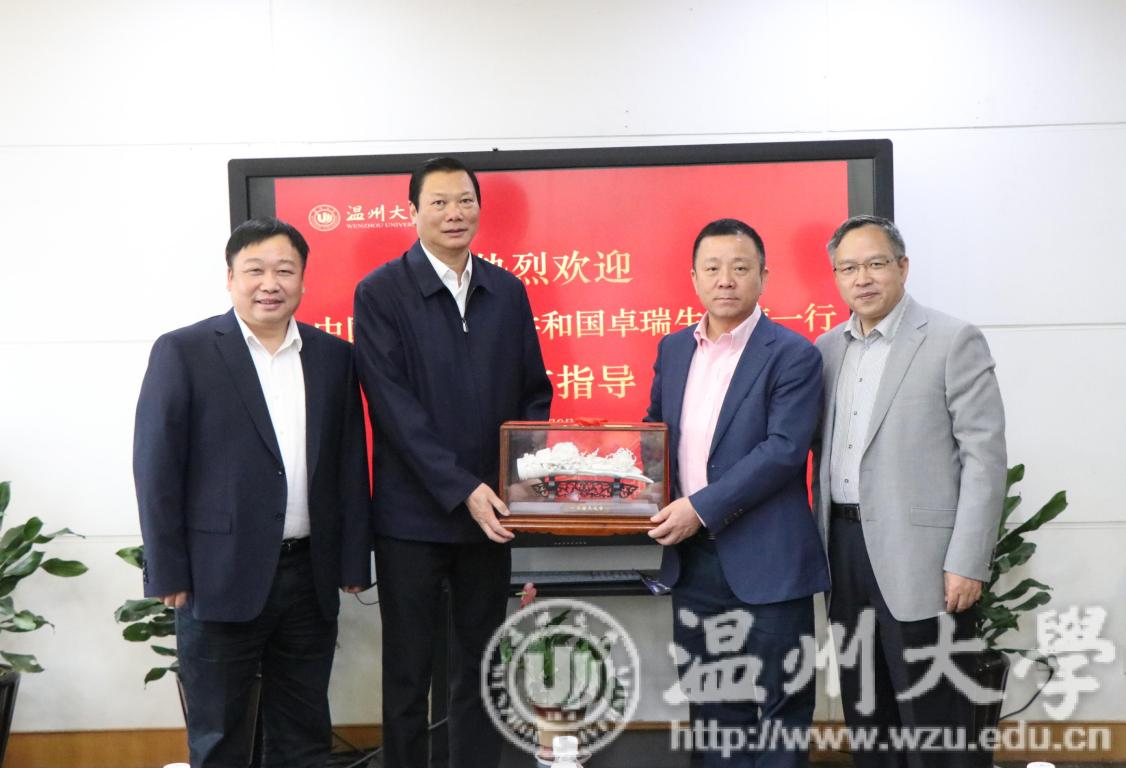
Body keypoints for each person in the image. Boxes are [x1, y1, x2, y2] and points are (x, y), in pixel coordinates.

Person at [133, 217, 373, 767]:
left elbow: (349, 464)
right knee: (219, 734)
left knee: (304, 733)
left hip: (308, 576)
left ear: (303, 279)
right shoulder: (185, 350)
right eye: (255, 270)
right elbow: (156, 467)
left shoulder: (333, 357)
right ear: (230, 277)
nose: (270, 283)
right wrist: (167, 569)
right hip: (217, 575)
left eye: (285, 270)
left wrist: (351, 559)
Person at [352, 156, 552, 768]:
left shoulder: (507, 291)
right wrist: (463, 486)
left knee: (480, 668)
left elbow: (534, 393)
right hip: (412, 519)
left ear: (479, 208)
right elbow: (393, 410)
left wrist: (515, 478)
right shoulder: (380, 292)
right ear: (412, 211)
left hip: (490, 518)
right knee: (408, 674)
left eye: (464, 200)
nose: (454, 213)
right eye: (438, 202)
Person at [813, 214, 1006, 768]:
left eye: (875, 264)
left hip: (924, 558)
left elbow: (984, 458)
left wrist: (966, 561)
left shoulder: (951, 339)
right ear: (836, 277)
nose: (862, 278)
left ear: (902, 266)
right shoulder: (826, 349)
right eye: (848, 268)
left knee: (935, 716)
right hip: (844, 551)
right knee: (868, 712)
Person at [645, 218, 829, 768]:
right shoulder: (673, 349)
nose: (725, 279)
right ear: (694, 278)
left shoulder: (793, 354)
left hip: (769, 557)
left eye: (740, 267)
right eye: (712, 268)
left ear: (763, 276)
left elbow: (783, 450)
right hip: (694, 561)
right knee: (712, 700)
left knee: (782, 703)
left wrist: (699, 509)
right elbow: (654, 433)